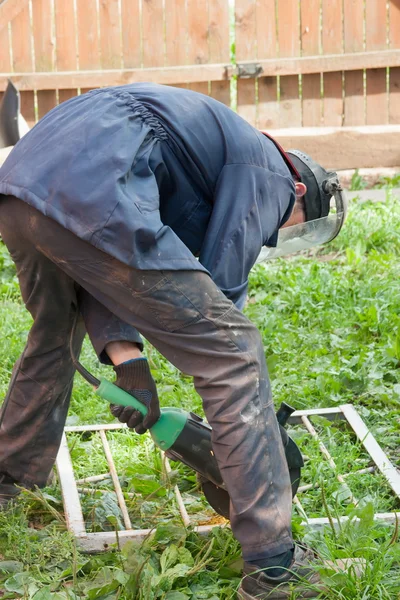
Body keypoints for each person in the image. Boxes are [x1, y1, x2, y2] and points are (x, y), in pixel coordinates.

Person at [0, 83, 345, 599]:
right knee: (235, 355)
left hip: (22, 188)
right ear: (300, 192)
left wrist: (128, 361)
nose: (280, 235)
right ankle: (274, 571)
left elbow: (105, 262)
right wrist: (233, 412)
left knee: (55, 336)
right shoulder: (270, 174)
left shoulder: (212, 153)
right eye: (297, 228)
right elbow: (217, 297)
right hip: (91, 186)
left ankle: (8, 484)